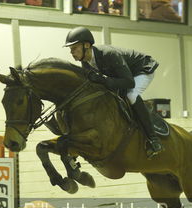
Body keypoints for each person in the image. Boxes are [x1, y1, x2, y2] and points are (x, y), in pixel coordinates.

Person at [63, 27, 163, 158]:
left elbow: (129, 83)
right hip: (123, 75)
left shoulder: (108, 54)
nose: (72, 52)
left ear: (86, 45)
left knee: (131, 95)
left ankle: (153, 139)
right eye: (70, 49)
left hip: (141, 69)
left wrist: (104, 80)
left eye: (74, 48)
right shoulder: (86, 63)